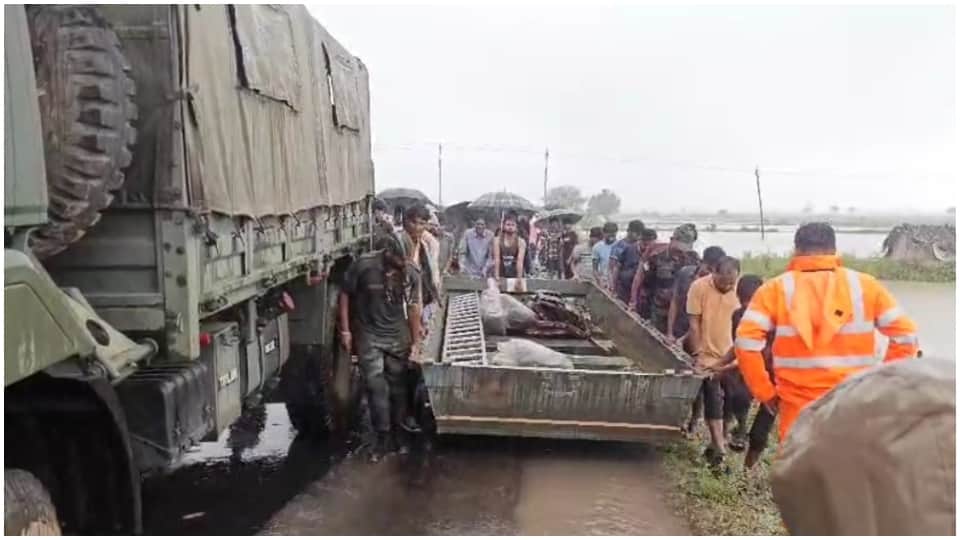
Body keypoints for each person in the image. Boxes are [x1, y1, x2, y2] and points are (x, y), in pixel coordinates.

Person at [735, 222, 919, 444]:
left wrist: (765, 392)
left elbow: (746, 343)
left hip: (798, 409)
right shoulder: (865, 286)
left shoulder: (774, 290)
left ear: (797, 250)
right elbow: (906, 337)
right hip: (854, 405)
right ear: (833, 249)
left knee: (802, 474)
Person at [339, 234, 423, 461]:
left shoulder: (412, 272)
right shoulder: (364, 265)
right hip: (369, 335)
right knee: (376, 388)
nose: (402, 264)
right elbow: (345, 293)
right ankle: (382, 439)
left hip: (397, 336)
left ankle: (400, 437)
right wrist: (346, 330)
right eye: (399, 260)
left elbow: (414, 307)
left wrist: (416, 343)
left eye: (406, 260)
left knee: (398, 388)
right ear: (388, 252)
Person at [687, 255, 741, 467]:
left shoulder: (739, 290)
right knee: (713, 397)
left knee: (735, 399)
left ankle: (720, 440)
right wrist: (698, 354)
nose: (728, 286)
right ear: (714, 273)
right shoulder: (698, 287)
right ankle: (719, 446)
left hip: (734, 354)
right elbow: (694, 324)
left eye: (732, 282)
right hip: (708, 356)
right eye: (723, 281)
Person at [631, 225, 700, 332]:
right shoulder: (655, 253)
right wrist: (633, 301)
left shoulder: (693, 258)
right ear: (672, 240)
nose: (680, 254)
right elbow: (639, 277)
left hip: (679, 309)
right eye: (678, 250)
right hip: (657, 305)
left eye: (683, 251)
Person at [668, 246, 726, 347]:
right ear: (701, 262)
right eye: (708, 268)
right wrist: (670, 333)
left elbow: (702, 320)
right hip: (677, 328)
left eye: (714, 271)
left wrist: (682, 340)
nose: (709, 273)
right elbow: (674, 302)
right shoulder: (684, 274)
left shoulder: (715, 287)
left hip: (696, 338)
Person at [609, 220, 645, 302]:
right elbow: (613, 267)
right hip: (622, 287)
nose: (639, 237)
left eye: (640, 234)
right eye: (637, 234)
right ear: (629, 231)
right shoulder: (619, 246)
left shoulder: (641, 247)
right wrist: (612, 286)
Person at [492, 212, 527, 279]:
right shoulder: (497, 240)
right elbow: (497, 259)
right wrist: (496, 276)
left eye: (513, 225)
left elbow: (520, 261)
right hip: (501, 270)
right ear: (504, 226)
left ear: (516, 227)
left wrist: (519, 278)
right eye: (508, 224)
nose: (510, 227)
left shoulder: (521, 242)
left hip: (514, 271)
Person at [591, 222, 618, 288]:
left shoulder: (620, 245)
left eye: (613, 233)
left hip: (617, 282)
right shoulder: (597, 247)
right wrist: (600, 280)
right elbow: (595, 269)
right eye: (609, 233)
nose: (611, 235)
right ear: (604, 233)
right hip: (604, 282)